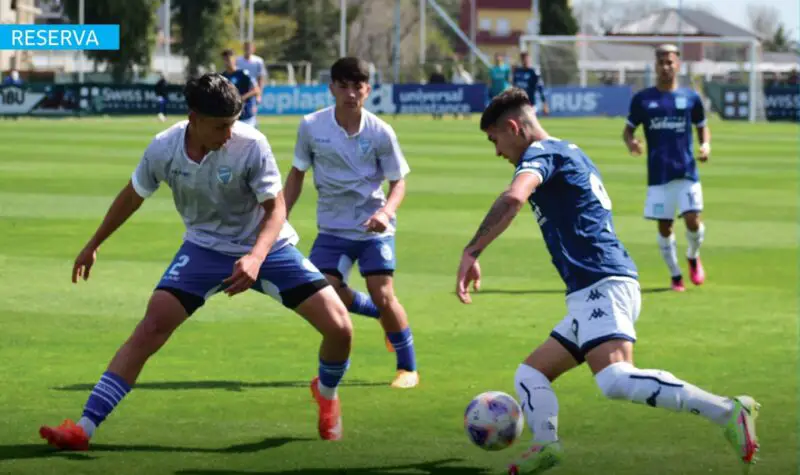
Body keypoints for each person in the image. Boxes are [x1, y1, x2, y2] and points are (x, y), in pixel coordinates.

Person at [39, 73, 353, 450]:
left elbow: (276, 208)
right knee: (152, 325)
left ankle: (327, 393)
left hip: (268, 247)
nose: (228, 133)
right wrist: (94, 243)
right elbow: (133, 194)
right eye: (221, 126)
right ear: (193, 118)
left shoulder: (251, 144)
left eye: (233, 123)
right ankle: (83, 428)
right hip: (204, 249)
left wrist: (255, 256)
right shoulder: (164, 148)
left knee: (340, 328)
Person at [455, 87, 759, 474]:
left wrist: (472, 251)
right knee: (530, 374)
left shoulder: (541, 154)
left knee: (615, 378)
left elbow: (515, 198)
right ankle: (546, 446)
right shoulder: (570, 150)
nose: (497, 151)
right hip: (591, 288)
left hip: (602, 281)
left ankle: (727, 410)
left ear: (513, 127)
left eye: (494, 139)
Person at [284, 57, 419, 389]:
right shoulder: (312, 126)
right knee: (325, 292)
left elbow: (397, 182)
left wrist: (385, 214)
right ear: (331, 88)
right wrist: (279, 217)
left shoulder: (380, 132)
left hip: (374, 228)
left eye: (357, 86)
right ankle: (378, 314)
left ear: (367, 90)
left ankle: (408, 367)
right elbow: (297, 174)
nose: (350, 93)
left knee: (383, 292)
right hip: (332, 229)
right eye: (343, 86)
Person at [623, 44, 710, 292]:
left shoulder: (690, 98)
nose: (665, 67)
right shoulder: (643, 99)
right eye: (661, 62)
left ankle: (693, 256)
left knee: (693, 220)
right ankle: (675, 276)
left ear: (678, 65)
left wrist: (705, 145)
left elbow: (702, 124)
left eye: (670, 62)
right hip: (659, 175)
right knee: (665, 226)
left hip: (686, 170)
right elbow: (628, 129)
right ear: (655, 66)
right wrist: (631, 142)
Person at [221, 49, 259, 127]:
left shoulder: (243, 74)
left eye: (229, 59)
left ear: (234, 60)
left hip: (246, 113)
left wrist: (241, 98)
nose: (227, 62)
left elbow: (256, 90)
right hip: (231, 115)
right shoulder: (223, 76)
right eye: (225, 60)